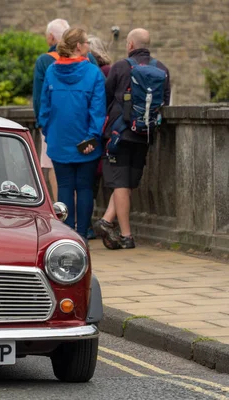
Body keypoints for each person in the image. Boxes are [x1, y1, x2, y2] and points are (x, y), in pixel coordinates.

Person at [94, 28, 171, 250]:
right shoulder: (162, 69)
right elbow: (165, 101)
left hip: (119, 133)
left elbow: (105, 97)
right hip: (144, 133)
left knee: (119, 182)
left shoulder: (119, 67)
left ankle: (126, 235)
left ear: (129, 45)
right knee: (127, 182)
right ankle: (107, 221)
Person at [38, 27, 106, 242]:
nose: (88, 46)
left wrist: (50, 134)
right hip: (86, 141)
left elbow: (44, 108)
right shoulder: (93, 73)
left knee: (65, 187)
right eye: (86, 43)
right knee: (84, 187)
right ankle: (83, 233)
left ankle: (68, 235)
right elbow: (98, 110)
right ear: (78, 46)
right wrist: (92, 137)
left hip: (59, 140)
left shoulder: (51, 71)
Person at [33, 19, 100, 203]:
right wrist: (94, 132)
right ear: (79, 45)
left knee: (61, 180)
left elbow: (40, 99)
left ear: (51, 38)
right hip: (86, 129)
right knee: (84, 184)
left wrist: (45, 127)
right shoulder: (90, 61)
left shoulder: (45, 62)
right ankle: (83, 225)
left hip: (55, 128)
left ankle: (63, 218)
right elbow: (98, 97)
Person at [86, 34, 114, 239]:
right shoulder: (108, 70)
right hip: (103, 131)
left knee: (89, 182)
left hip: (96, 131)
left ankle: (86, 224)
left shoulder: (98, 73)